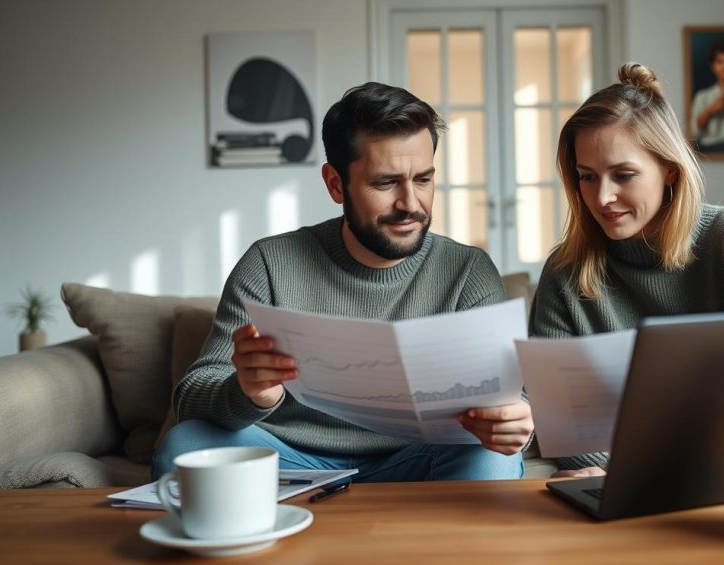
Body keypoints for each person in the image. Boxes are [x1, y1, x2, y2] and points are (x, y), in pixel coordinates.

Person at [154, 82, 534, 482]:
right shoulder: (270, 263)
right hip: (288, 460)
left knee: (494, 457)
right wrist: (248, 393)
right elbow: (193, 394)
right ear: (336, 184)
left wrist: (511, 421)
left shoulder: (468, 271)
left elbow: (506, 399)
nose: (410, 204)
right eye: (386, 183)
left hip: (416, 461)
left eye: (423, 179)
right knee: (185, 446)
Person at [530, 63, 724, 477]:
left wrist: (707, 346)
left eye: (623, 175)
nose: (602, 197)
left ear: (669, 169)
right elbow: (558, 412)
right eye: (587, 177)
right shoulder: (566, 270)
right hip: (624, 477)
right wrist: (634, 474)